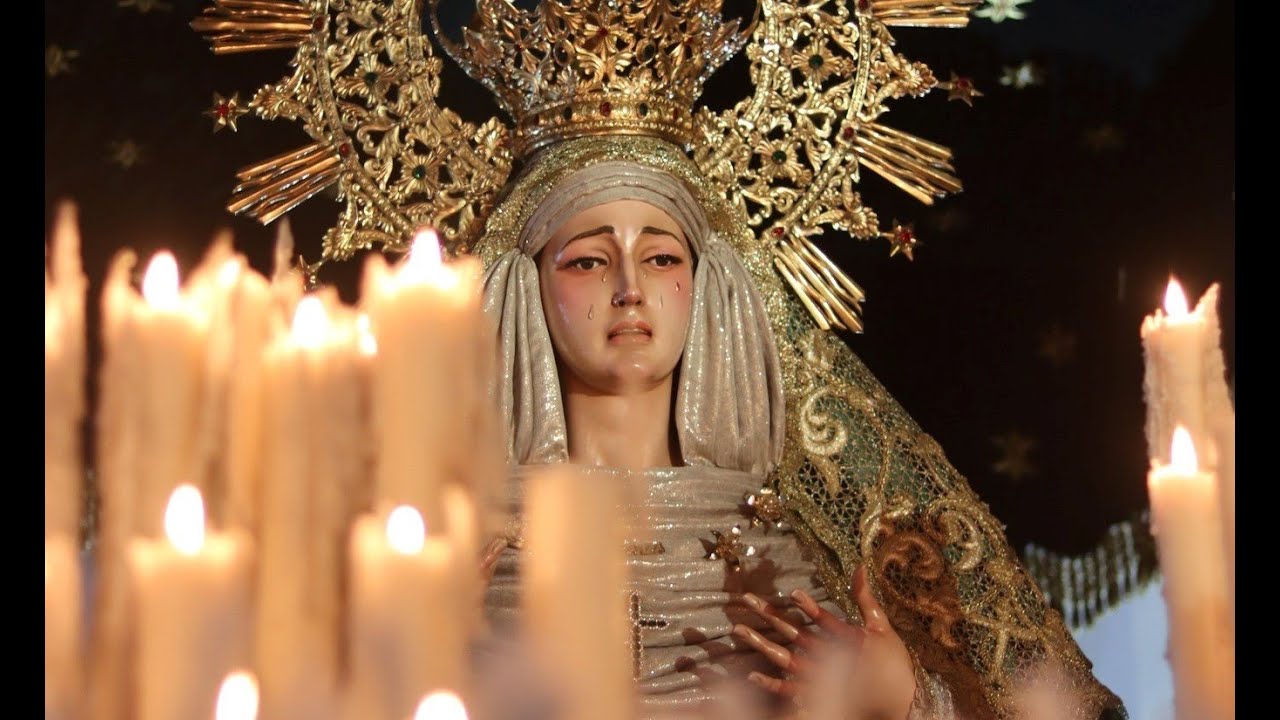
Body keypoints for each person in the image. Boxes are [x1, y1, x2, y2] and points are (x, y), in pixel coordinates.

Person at [471, 136, 1124, 720]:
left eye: (663, 258)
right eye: (587, 261)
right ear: (527, 290)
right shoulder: (463, 551)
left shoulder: (791, 557)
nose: (630, 288)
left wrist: (896, 698)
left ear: (708, 287)